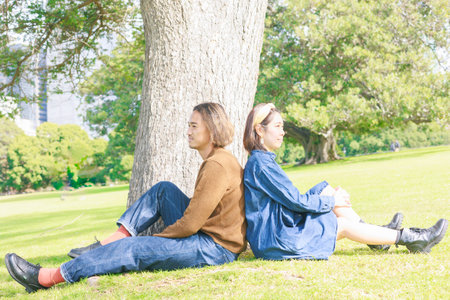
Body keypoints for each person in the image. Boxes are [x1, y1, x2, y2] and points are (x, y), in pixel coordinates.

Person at [5, 103, 247, 293]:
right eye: (189, 125)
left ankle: (48, 278)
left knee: (135, 248)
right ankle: (114, 240)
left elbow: (191, 224)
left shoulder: (217, 165)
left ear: (212, 130)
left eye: (194, 126)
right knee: (164, 190)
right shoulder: (218, 159)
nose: (188, 131)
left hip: (215, 248)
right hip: (210, 237)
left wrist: (156, 242)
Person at [242, 103, 447, 260]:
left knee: (325, 189)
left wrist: (331, 196)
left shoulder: (263, 160)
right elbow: (296, 202)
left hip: (278, 230)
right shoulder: (261, 165)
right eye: (277, 126)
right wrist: (333, 201)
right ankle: (412, 238)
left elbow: (292, 201)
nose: (283, 132)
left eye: (283, 126)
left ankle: (378, 237)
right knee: (343, 224)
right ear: (260, 130)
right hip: (276, 240)